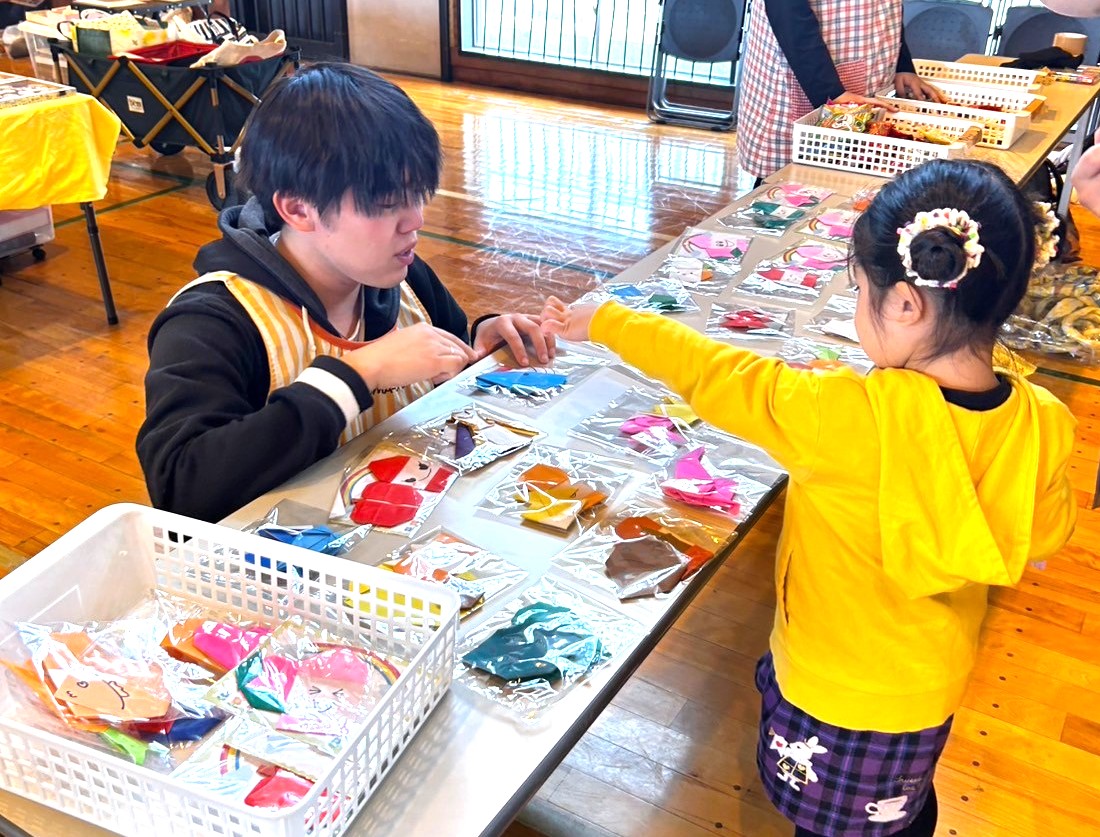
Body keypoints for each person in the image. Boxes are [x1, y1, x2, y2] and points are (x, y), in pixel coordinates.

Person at [541, 158, 1076, 837]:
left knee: (827, 826)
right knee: (896, 798)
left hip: (830, 684)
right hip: (930, 681)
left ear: (908, 304)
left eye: (860, 291)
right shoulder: (1045, 421)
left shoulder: (840, 415)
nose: (857, 308)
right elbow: (1046, 529)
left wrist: (611, 320)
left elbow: (717, 373)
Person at [138, 63, 553, 523]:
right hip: (288, 575)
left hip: (403, 538)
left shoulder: (400, 277)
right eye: (386, 203)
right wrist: (356, 374)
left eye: (418, 195)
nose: (414, 220)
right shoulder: (215, 322)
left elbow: (446, 360)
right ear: (298, 208)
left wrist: (483, 336)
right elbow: (181, 489)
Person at [737, 0, 945, 180]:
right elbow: (787, 12)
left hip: (866, 54)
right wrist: (830, 91)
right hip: (804, 66)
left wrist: (903, 65)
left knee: (850, 180)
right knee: (787, 184)